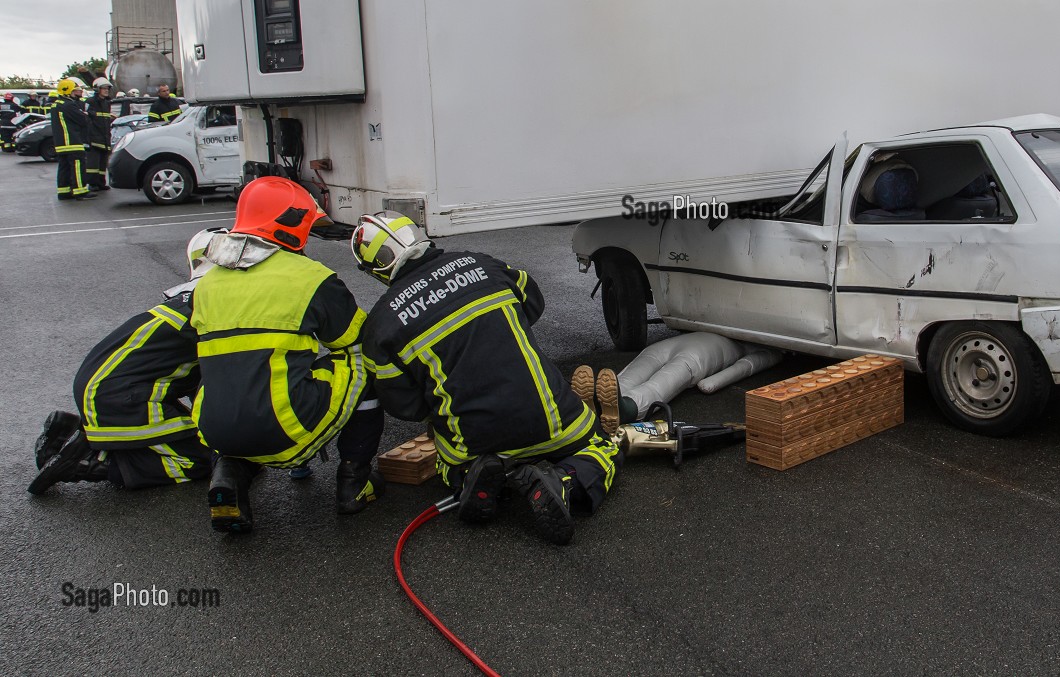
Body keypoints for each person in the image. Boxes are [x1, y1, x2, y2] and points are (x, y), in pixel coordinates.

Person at [351, 212, 620, 545]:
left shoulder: (380, 325)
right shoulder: (482, 264)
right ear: (418, 236)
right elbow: (533, 304)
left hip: (473, 443)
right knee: (603, 448)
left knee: (447, 463)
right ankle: (564, 481)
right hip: (552, 421)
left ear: (376, 269)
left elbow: (405, 405)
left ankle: (473, 478)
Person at [191, 177, 384, 534]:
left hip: (212, 429)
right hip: (284, 426)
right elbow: (357, 339)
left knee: (239, 375)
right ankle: (354, 483)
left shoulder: (208, 281)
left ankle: (229, 477)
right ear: (291, 225)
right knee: (362, 363)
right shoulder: (310, 278)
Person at [28, 229, 224, 495]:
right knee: (199, 460)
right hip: (118, 397)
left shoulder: (186, 298)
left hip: (106, 388)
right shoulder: (213, 305)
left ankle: (81, 434)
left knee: (202, 437)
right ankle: (91, 462)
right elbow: (215, 382)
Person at [572, 334, 784, 434]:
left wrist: (711, 383)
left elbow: (747, 365)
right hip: (697, 358)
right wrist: (711, 382)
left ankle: (596, 402)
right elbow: (746, 367)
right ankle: (627, 408)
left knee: (629, 376)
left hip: (672, 343)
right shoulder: (769, 348)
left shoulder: (721, 322)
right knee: (659, 385)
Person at [52, 77, 93, 201]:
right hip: (72, 141)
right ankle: (80, 190)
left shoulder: (56, 104)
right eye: (73, 91)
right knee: (77, 165)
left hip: (60, 143)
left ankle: (63, 191)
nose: (76, 93)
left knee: (64, 167)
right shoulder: (69, 105)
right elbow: (83, 120)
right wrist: (85, 115)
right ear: (67, 91)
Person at [85, 77, 115, 191]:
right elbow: (87, 119)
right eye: (104, 88)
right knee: (93, 163)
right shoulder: (90, 102)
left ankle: (101, 183)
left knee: (102, 163)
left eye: (107, 88)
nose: (106, 90)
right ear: (97, 89)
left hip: (104, 136)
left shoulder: (106, 103)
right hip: (94, 137)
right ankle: (92, 184)